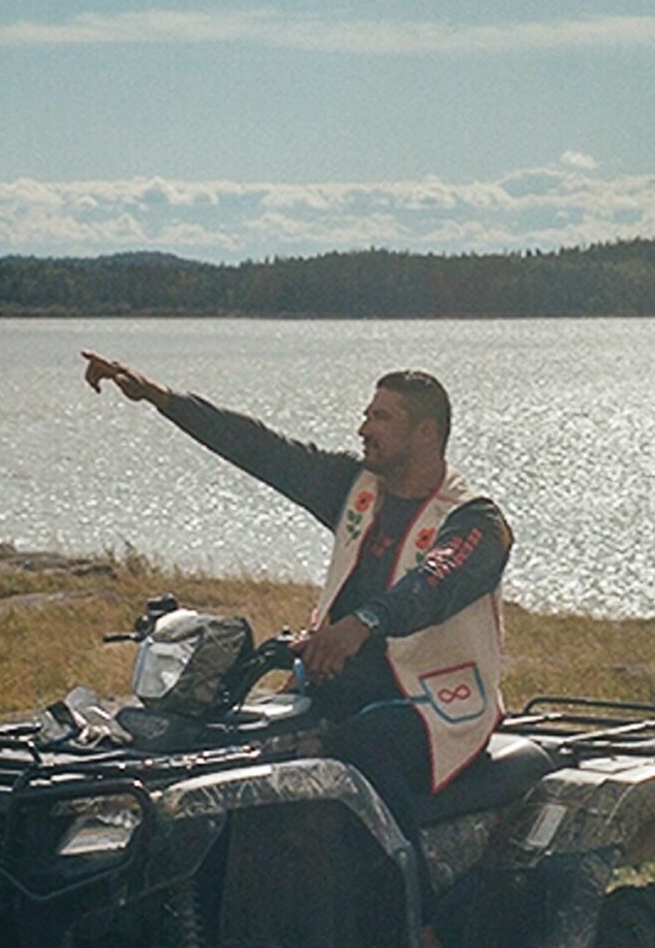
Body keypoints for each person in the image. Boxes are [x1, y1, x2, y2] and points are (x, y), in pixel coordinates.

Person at [78, 353, 513, 828]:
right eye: (368, 414)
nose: (364, 428)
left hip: (429, 705)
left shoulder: (474, 519)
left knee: (356, 754)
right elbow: (263, 448)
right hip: (339, 689)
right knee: (238, 749)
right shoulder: (356, 487)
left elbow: (435, 582)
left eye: (382, 418)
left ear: (426, 433)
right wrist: (161, 398)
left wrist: (362, 625)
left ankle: (403, 889)